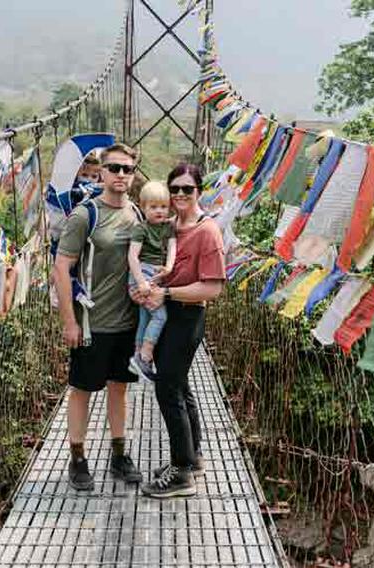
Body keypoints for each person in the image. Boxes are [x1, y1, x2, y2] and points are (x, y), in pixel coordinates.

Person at [53, 143, 144, 491]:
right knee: (82, 390)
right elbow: (61, 268)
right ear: (102, 171)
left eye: (128, 169)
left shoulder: (136, 213)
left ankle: (119, 455)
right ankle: (77, 457)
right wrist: (69, 321)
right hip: (91, 323)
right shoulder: (84, 215)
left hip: (127, 323)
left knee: (119, 389)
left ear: (134, 175)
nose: (122, 175)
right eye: (115, 168)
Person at [135, 163, 226, 499]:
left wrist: (167, 293)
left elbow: (212, 288)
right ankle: (193, 457)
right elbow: (163, 270)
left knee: (167, 390)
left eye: (187, 189)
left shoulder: (208, 231)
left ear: (199, 190)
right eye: (175, 190)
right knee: (179, 386)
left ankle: (181, 474)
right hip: (168, 312)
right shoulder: (170, 226)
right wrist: (146, 286)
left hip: (187, 317)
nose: (180, 195)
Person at [127, 181, 176, 380]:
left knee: (146, 317)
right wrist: (141, 282)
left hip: (157, 275)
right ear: (143, 207)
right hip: (141, 274)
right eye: (153, 207)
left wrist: (169, 267)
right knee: (160, 316)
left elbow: (172, 248)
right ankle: (146, 356)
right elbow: (132, 256)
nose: (159, 211)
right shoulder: (141, 229)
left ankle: (137, 356)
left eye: (163, 207)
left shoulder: (168, 227)